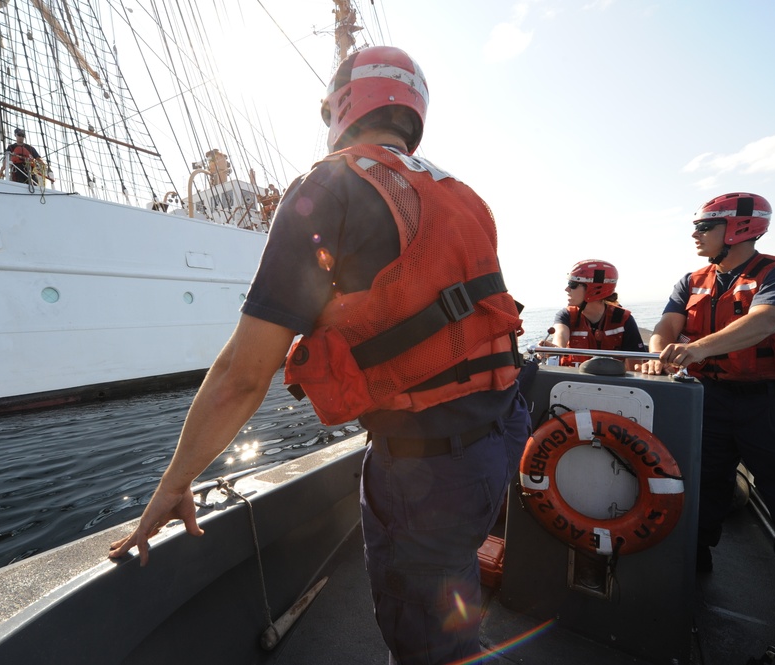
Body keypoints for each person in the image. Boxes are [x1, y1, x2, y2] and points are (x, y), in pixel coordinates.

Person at [107, 46, 531, 664]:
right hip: (502, 434)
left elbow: (242, 375)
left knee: (425, 641)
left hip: (428, 470)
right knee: (452, 589)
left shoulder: (331, 185)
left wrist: (176, 481)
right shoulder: (462, 196)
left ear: (342, 107)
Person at [639, 192, 775, 624]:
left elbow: (764, 321)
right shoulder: (691, 281)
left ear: (739, 228)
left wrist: (695, 350)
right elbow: (666, 327)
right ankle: (695, 561)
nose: (695, 235)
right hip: (710, 397)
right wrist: (659, 355)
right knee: (700, 485)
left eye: (704, 227)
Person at [549, 259, 646, 368]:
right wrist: (553, 348)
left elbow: (636, 367)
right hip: (574, 378)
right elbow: (560, 337)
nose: (567, 289)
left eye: (572, 284)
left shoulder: (623, 319)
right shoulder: (566, 315)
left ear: (593, 289)